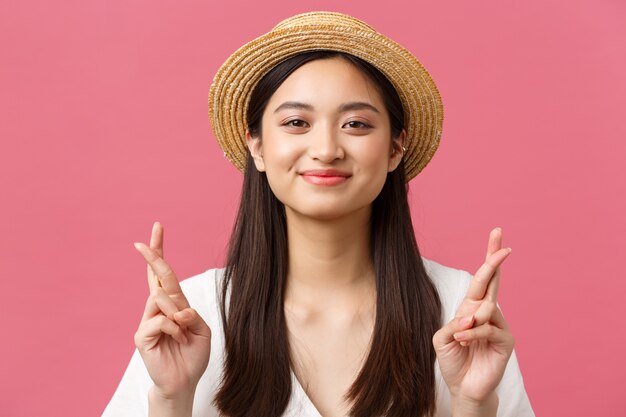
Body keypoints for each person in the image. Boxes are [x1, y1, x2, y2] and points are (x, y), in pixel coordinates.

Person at [103, 11, 534, 417]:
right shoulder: (195, 314)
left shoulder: (461, 312)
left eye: (356, 124)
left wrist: (474, 404)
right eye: (296, 123)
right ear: (256, 145)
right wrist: (170, 398)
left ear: (395, 148)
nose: (327, 150)